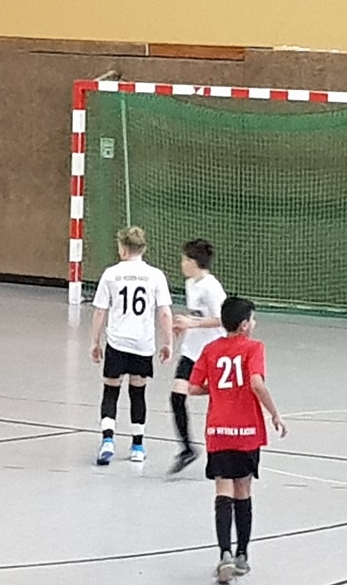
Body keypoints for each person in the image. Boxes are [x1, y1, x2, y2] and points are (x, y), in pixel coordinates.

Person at [189, 297, 287, 582]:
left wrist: (218, 389)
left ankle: (224, 554)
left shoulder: (210, 349)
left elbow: (193, 388)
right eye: (252, 319)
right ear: (244, 325)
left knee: (223, 489)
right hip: (246, 430)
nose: (254, 323)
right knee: (243, 489)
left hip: (218, 430)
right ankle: (242, 554)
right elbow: (256, 383)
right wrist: (275, 413)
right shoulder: (254, 348)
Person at [90, 226, 173, 465]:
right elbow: (164, 312)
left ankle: (107, 440)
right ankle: (137, 446)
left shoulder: (111, 274)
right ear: (143, 249)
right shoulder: (156, 275)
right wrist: (167, 342)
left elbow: (100, 311)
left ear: (123, 249)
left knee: (111, 390)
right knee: (138, 393)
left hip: (117, 342)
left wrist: (95, 342)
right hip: (142, 344)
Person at [168, 239, 227, 475]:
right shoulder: (190, 284)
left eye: (184, 260)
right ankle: (187, 449)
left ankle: (222, 452)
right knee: (177, 396)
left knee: (220, 402)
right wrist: (184, 325)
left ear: (193, 262)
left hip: (212, 351)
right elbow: (197, 315)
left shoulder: (212, 287)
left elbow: (222, 319)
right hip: (192, 350)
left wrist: (192, 323)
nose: (181, 264)